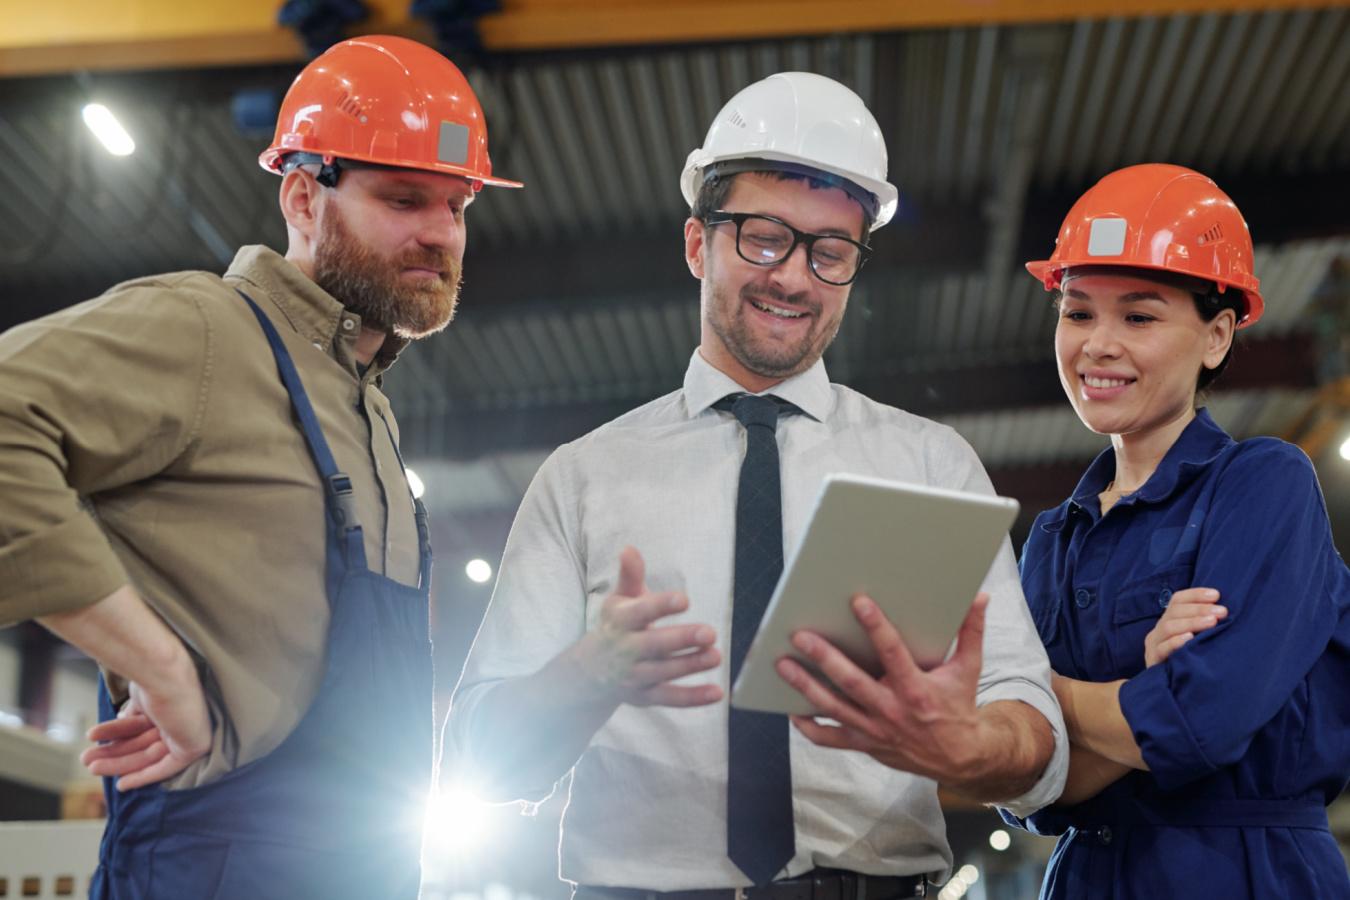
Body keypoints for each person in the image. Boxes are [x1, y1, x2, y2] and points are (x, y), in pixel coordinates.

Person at [447, 71, 1066, 897]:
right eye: (764, 237)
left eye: (830, 252)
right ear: (698, 243)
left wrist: (970, 748)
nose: (795, 278)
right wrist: (588, 675)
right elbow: (478, 764)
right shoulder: (585, 478)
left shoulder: (929, 464)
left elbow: (1032, 725)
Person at [0, 35, 519, 899]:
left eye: (458, 207)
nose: (440, 234)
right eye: (404, 198)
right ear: (302, 197)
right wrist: (159, 668)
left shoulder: (369, 409)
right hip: (211, 869)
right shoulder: (208, 330)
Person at [1004, 163, 1350, 898]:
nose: (1097, 344)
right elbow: (1028, 783)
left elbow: (1205, 720)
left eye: (1139, 316)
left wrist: (1039, 692)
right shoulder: (1050, 542)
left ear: (1218, 335)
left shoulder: (1264, 485)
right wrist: (1141, 690)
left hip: (1245, 873)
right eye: (1077, 312)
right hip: (1086, 877)